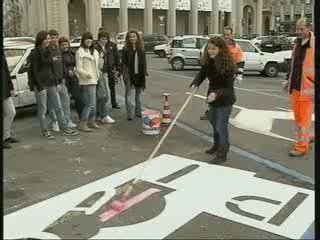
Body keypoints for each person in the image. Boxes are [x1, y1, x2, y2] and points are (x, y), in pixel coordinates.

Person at [190, 36, 236, 164]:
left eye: (214, 49)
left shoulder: (228, 65)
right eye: (209, 48)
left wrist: (216, 94)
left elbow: (227, 88)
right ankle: (216, 145)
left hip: (225, 100)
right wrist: (196, 83)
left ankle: (222, 153)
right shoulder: (209, 61)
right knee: (214, 123)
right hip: (212, 99)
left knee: (221, 127)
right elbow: (202, 74)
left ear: (221, 49)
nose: (210, 51)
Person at [30, 30, 78, 138]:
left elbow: (52, 68)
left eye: (49, 38)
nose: (48, 40)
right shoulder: (35, 53)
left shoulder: (49, 51)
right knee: (43, 109)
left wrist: (56, 81)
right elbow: (34, 71)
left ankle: (65, 127)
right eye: (46, 38)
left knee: (58, 106)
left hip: (52, 83)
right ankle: (45, 130)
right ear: (41, 40)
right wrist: (39, 86)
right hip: (41, 85)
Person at [282, 18, 314, 157]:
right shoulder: (297, 43)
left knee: (304, 119)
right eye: (297, 29)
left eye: (301, 29)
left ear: (308, 28)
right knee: (298, 118)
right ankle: (306, 138)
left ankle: (301, 146)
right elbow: (293, 64)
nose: (298, 32)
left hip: (308, 88)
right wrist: (287, 80)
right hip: (295, 86)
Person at [200, 26, 244, 120]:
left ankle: (224, 112)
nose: (226, 36)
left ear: (232, 35)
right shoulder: (218, 43)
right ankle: (210, 111)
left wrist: (240, 74)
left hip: (228, 71)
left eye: (228, 34)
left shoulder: (236, 46)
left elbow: (240, 60)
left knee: (225, 92)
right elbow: (207, 53)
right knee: (213, 91)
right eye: (224, 34)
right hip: (216, 71)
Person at [48, 29, 77, 130]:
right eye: (52, 37)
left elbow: (62, 65)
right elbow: (48, 68)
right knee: (53, 104)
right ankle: (54, 122)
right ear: (49, 38)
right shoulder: (47, 51)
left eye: (56, 37)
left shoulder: (59, 50)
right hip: (52, 83)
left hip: (62, 81)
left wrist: (64, 77)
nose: (54, 39)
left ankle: (67, 120)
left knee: (65, 102)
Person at [75, 32, 101, 132]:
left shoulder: (94, 51)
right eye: (86, 39)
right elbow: (78, 68)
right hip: (87, 80)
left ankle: (91, 121)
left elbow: (97, 66)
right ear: (83, 40)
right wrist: (87, 75)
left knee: (92, 103)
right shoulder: (80, 52)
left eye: (90, 39)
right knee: (90, 103)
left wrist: (99, 71)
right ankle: (83, 123)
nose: (89, 40)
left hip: (95, 79)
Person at [121, 30, 148, 120]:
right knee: (128, 94)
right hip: (129, 74)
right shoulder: (125, 49)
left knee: (138, 94)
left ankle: (138, 112)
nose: (132, 38)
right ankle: (130, 114)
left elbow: (144, 63)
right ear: (128, 39)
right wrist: (123, 75)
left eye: (134, 36)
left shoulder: (141, 49)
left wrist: (144, 73)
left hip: (139, 74)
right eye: (130, 37)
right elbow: (124, 63)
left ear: (137, 38)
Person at [93, 30, 116, 124]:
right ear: (99, 38)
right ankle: (103, 115)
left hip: (104, 73)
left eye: (106, 39)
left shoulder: (104, 47)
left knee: (101, 96)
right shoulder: (96, 47)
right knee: (104, 95)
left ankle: (99, 115)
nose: (105, 41)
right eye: (103, 39)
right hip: (99, 74)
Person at [59, 36, 84, 120]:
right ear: (60, 46)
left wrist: (75, 70)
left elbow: (78, 64)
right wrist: (67, 72)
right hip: (64, 79)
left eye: (66, 44)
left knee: (78, 98)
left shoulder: (73, 53)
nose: (64, 46)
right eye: (62, 45)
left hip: (74, 78)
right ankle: (65, 119)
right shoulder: (59, 55)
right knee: (65, 101)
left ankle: (82, 117)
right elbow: (60, 66)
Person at [2, 55, 19, 149]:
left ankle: (6, 136)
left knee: (11, 112)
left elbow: (6, 73)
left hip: (5, 89)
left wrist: (11, 87)